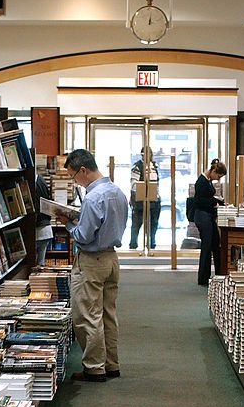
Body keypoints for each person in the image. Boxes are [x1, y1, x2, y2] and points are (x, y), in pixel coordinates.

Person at [55, 149, 128, 382]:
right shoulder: (117, 192)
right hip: (111, 259)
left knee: (88, 315)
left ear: (83, 171)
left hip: (91, 261)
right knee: (108, 314)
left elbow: (84, 236)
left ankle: (94, 368)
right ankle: (111, 364)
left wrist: (68, 223)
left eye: (74, 176)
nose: (74, 181)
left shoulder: (93, 197)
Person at [193, 158, 227, 286]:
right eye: (218, 176)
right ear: (213, 171)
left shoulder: (207, 181)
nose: (218, 179)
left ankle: (219, 274)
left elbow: (207, 197)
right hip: (202, 216)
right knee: (207, 246)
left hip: (207, 216)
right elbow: (199, 201)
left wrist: (218, 201)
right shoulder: (201, 181)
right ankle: (203, 278)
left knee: (215, 243)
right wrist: (215, 202)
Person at [129, 147, 161, 250]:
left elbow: (156, 183)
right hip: (140, 200)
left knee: (153, 223)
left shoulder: (154, 165)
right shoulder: (137, 166)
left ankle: (152, 243)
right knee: (136, 224)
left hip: (154, 199)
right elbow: (134, 184)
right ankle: (133, 244)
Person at [34, 173, 53, 265]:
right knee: (41, 263)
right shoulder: (41, 180)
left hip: (37, 230)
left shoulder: (31, 183)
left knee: (31, 265)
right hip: (46, 229)